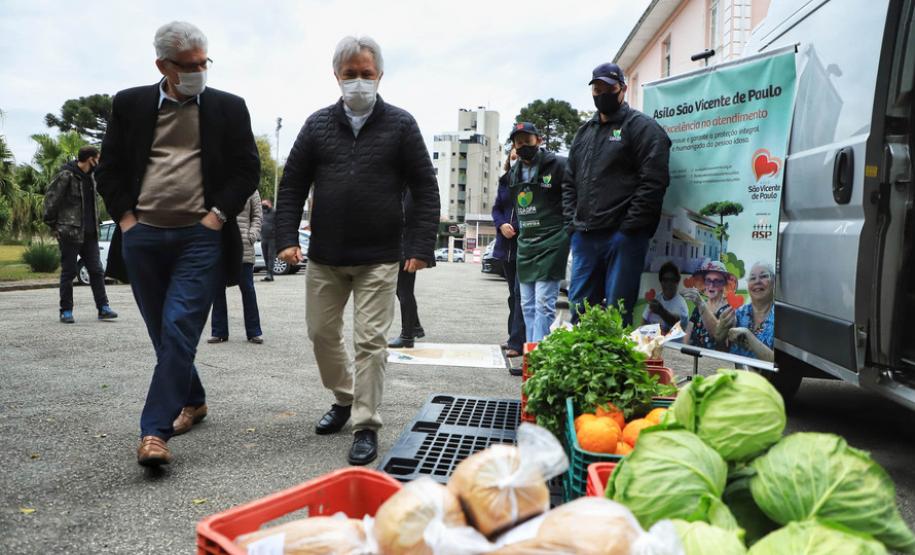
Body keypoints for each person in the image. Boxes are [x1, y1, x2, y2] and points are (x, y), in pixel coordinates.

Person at [95, 21, 260, 467]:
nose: (199, 71)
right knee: (162, 333)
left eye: (204, 62)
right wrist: (127, 220)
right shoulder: (130, 104)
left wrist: (216, 216)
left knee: (179, 327)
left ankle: (154, 432)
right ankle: (195, 400)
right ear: (162, 66)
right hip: (143, 236)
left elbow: (248, 170)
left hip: (199, 238)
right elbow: (108, 169)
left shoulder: (228, 107)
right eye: (188, 65)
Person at [275, 36, 439, 466]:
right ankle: (345, 397)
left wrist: (421, 245)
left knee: (370, 342)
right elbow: (292, 183)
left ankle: (365, 424)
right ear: (337, 77)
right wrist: (285, 238)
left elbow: (425, 187)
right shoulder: (316, 126)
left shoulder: (401, 125)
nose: (359, 83)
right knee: (321, 335)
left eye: (367, 75)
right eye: (351, 75)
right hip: (325, 256)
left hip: (380, 257)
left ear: (380, 76)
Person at [562, 63, 671, 326]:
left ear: (622, 89)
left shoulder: (642, 128)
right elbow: (569, 181)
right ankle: (583, 366)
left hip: (622, 238)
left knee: (617, 313)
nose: (602, 93)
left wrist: (629, 229)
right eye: (597, 88)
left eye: (608, 88)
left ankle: (613, 365)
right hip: (586, 237)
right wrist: (572, 225)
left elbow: (654, 182)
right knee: (580, 310)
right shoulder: (584, 133)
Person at [42, 146, 118, 324]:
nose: (98, 162)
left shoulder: (91, 177)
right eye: (97, 158)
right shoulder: (66, 175)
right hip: (70, 233)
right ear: (90, 159)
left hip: (90, 234)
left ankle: (103, 308)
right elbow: (51, 200)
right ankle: (66, 311)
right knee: (69, 272)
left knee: (97, 271)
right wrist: (54, 225)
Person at [509, 122, 569, 343]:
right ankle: (531, 350)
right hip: (527, 243)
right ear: (514, 145)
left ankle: (538, 356)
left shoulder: (559, 165)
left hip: (553, 240)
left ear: (539, 140)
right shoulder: (514, 173)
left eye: (528, 140)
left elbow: (573, 198)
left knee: (544, 302)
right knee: (526, 304)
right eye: (519, 142)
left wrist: (569, 229)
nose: (523, 145)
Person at [208, 191, 264, 344]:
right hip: (220, 245)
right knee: (217, 289)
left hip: (244, 246)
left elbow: (257, 216)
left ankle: (254, 332)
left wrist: (251, 235)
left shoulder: (251, 189)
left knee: (247, 289)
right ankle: (219, 332)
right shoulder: (218, 185)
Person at [491, 147, 525, 359]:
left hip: (524, 246)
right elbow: (496, 209)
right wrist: (502, 224)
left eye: (519, 156)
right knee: (513, 296)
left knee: (521, 294)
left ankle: (517, 342)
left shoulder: (532, 181)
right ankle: (513, 336)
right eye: (513, 156)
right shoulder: (504, 181)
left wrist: (518, 228)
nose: (516, 159)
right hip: (506, 248)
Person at [388, 190, 432, 349]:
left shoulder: (411, 187)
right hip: (404, 244)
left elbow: (406, 214)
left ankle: (407, 335)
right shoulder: (406, 185)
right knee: (401, 290)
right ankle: (414, 327)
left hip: (407, 246)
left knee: (404, 290)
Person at [716, 262, 776, 361]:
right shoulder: (737, 314)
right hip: (734, 374)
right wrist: (720, 335)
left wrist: (749, 337)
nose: (757, 281)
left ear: (773, 280)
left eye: (763, 276)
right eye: (752, 278)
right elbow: (721, 351)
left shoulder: (781, 318)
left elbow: (777, 362)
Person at [681, 260, 733, 351]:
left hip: (715, 362)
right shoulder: (699, 306)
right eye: (708, 280)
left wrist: (701, 304)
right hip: (694, 359)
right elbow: (686, 337)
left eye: (716, 281)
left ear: (724, 284)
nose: (711, 285)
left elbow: (719, 336)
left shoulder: (729, 309)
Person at [642, 261, 689, 333]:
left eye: (672, 280)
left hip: (672, 344)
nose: (669, 284)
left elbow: (678, 323)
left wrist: (661, 311)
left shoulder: (681, 304)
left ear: (677, 282)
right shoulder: (657, 298)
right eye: (665, 280)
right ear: (661, 282)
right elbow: (644, 321)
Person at [260, 198, 276, 282]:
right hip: (264, 238)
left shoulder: (274, 212)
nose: (263, 206)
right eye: (262, 204)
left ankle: (270, 274)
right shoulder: (262, 213)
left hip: (272, 239)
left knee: (270, 256)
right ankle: (268, 274)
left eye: (265, 204)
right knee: (265, 256)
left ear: (270, 204)